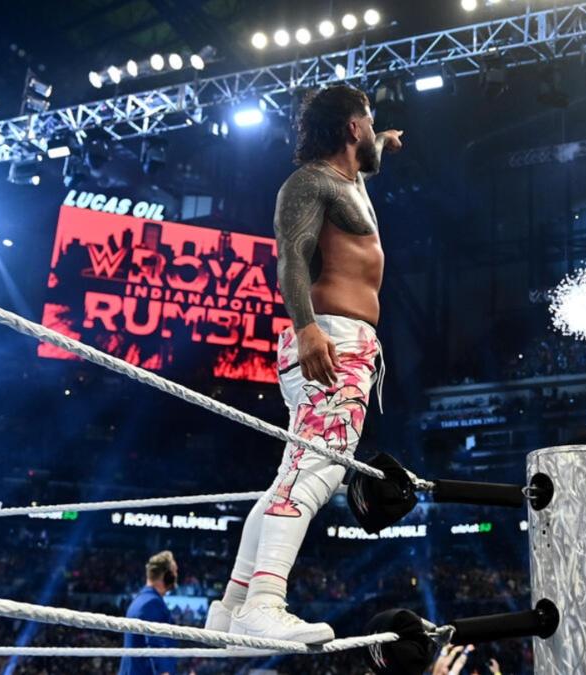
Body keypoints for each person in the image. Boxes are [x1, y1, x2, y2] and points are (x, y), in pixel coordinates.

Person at [204, 82, 404, 643]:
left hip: (346, 341)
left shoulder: (352, 178)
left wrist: (384, 139)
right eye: (370, 121)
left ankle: (233, 604)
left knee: (290, 477)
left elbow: (373, 157)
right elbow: (289, 256)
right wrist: (307, 327)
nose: (373, 129)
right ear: (350, 128)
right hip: (329, 339)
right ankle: (266, 601)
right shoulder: (310, 182)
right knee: (317, 471)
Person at [118, 550, 179, 675]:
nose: (176, 576)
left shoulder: (140, 600)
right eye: (174, 572)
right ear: (166, 575)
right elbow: (156, 646)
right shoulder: (152, 603)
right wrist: (165, 672)